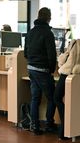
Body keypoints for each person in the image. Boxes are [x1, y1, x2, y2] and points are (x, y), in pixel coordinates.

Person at [24, 7, 57, 135]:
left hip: (31, 69)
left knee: (35, 98)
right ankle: (49, 124)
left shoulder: (30, 32)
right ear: (49, 18)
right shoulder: (48, 33)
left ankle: (34, 125)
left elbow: (26, 53)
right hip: (43, 70)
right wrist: (52, 69)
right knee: (52, 98)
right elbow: (52, 54)